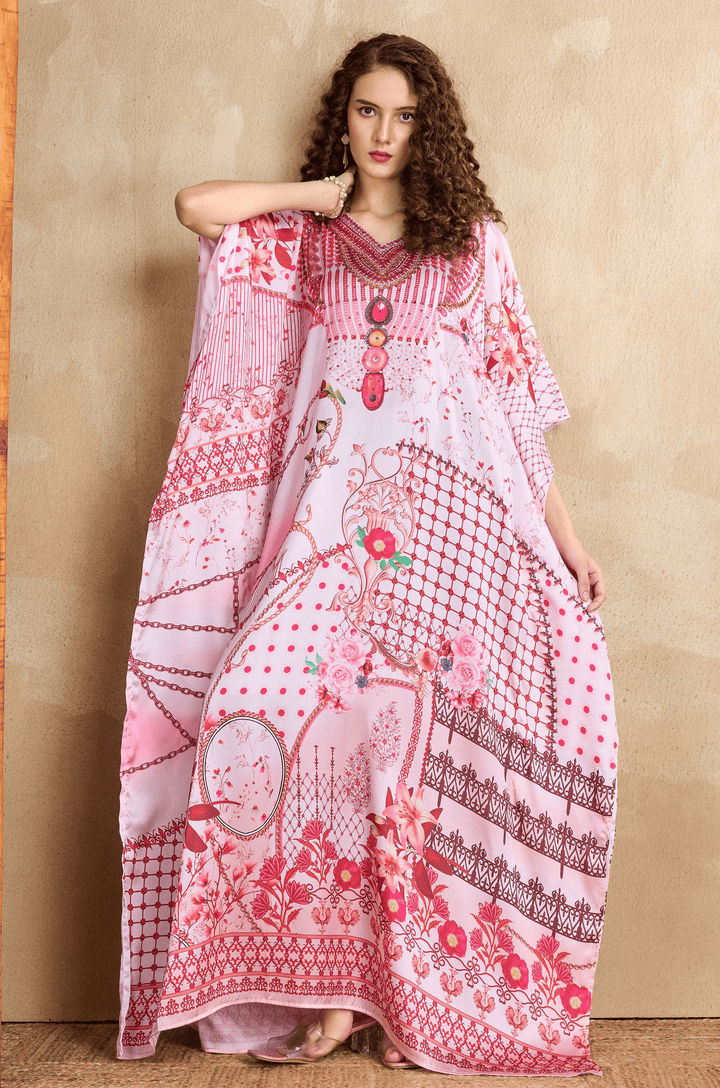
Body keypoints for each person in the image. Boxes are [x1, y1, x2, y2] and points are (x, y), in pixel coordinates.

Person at [117, 33, 618, 1077]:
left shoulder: (471, 246)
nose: (385, 133)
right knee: (283, 717)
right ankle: (340, 994)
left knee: (410, 758)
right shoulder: (308, 242)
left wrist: (568, 542)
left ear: (431, 127)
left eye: (404, 115)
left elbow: (514, 413)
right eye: (366, 111)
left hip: (446, 541)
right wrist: (315, 194)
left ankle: (396, 1001)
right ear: (342, 119)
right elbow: (195, 207)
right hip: (326, 534)